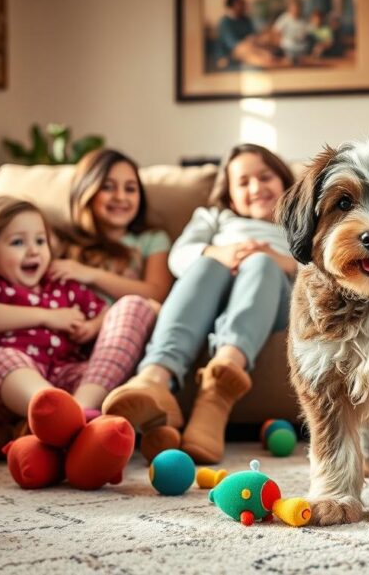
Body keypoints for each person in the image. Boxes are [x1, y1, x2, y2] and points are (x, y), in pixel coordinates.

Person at [101, 143, 297, 465]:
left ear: (284, 182)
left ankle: (222, 383)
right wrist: (218, 253)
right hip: (212, 300)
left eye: (266, 177)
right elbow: (179, 257)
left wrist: (284, 262)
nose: (257, 187)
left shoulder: (297, 222)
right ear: (230, 196)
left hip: (271, 302)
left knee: (261, 264)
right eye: (244, 182)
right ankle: (155, 378)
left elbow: (327, 267)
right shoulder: (215, 218)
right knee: (204, 264)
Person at [0, 197, 155, 426]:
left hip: (63, 377)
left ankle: (77, 412)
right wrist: (46, 316)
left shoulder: (59, 283)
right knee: (8, 360)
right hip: (2, 387)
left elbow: (107, 313)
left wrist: (92, 326)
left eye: (40, 241)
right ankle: (61, 416)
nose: (33, 251)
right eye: (18, 242)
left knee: (134, 306)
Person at [49, 148, 172, 308]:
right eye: (107, 187)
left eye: (130, 189)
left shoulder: (153, 239)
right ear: (86, 190)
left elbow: (157, 294)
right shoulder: (63, 240)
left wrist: (92, 275)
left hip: (128, 322)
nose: (120, 197)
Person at [216, 0, 278, 69]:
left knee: (266, 39)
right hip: (232, 54)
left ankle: (268, 59)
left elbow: (254, 35)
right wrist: (249, 41)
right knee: (246, 49)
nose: (244, 5)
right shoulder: (225, 23)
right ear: (234, 4)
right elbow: (234, 45)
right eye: (241, 3)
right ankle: (265, 61)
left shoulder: (245, 19)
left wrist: (258, 39)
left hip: (250, 47)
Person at [273, 0, 310, 65]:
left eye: (297, 7)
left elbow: (309, 32)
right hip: (287, 48)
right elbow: (276, 31)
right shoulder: (284, 18)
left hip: (302, 49)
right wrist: (278, 44)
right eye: (294, 7)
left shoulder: (305, 19)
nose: (295, 9)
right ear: (290, 8)